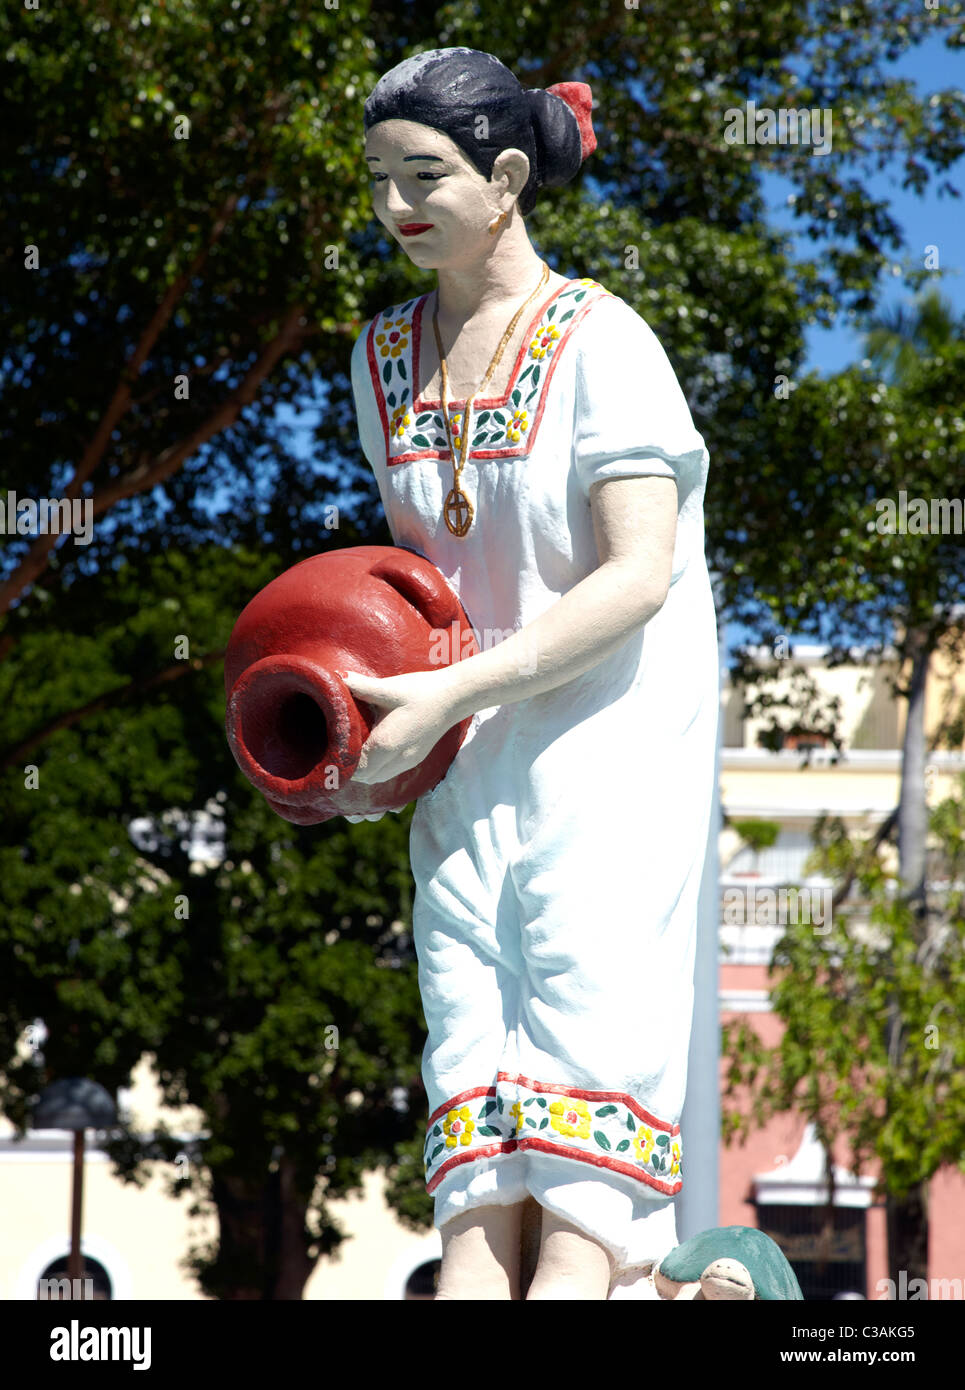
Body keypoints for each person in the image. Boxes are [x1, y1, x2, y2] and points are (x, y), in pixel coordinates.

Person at [344, 47, 719, 1300]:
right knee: (465, 1019)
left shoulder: (601, 338)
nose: (397, 205)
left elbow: (635, 574)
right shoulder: (377, 359)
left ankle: (603, 1270)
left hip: (605, 736)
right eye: (380, 178)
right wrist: (366, 740)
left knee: (579, 1005)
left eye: (425, 175)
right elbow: (411, 593)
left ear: (505, 176)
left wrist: (455, 690)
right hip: (465, 751)